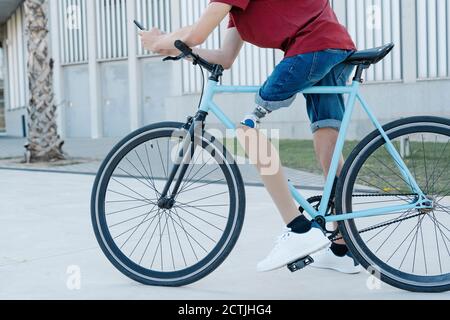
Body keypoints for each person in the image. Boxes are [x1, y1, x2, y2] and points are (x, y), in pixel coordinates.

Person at [140, 0, 361, 274]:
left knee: (247, 129)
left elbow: (196, 32)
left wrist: (160, 41)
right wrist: (188, 51)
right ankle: (341, 249)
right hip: (331, 47)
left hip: (311, 48)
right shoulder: (238, 11)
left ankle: (298, 229)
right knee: (326, 136)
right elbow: (225, 56)